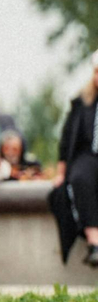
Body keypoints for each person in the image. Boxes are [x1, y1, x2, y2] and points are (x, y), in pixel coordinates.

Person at [52, 50, 98, 267]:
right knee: (79, 178)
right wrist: (61, 172)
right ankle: (94, 242)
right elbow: (67, 138)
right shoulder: (82, 101)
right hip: (88, 154)